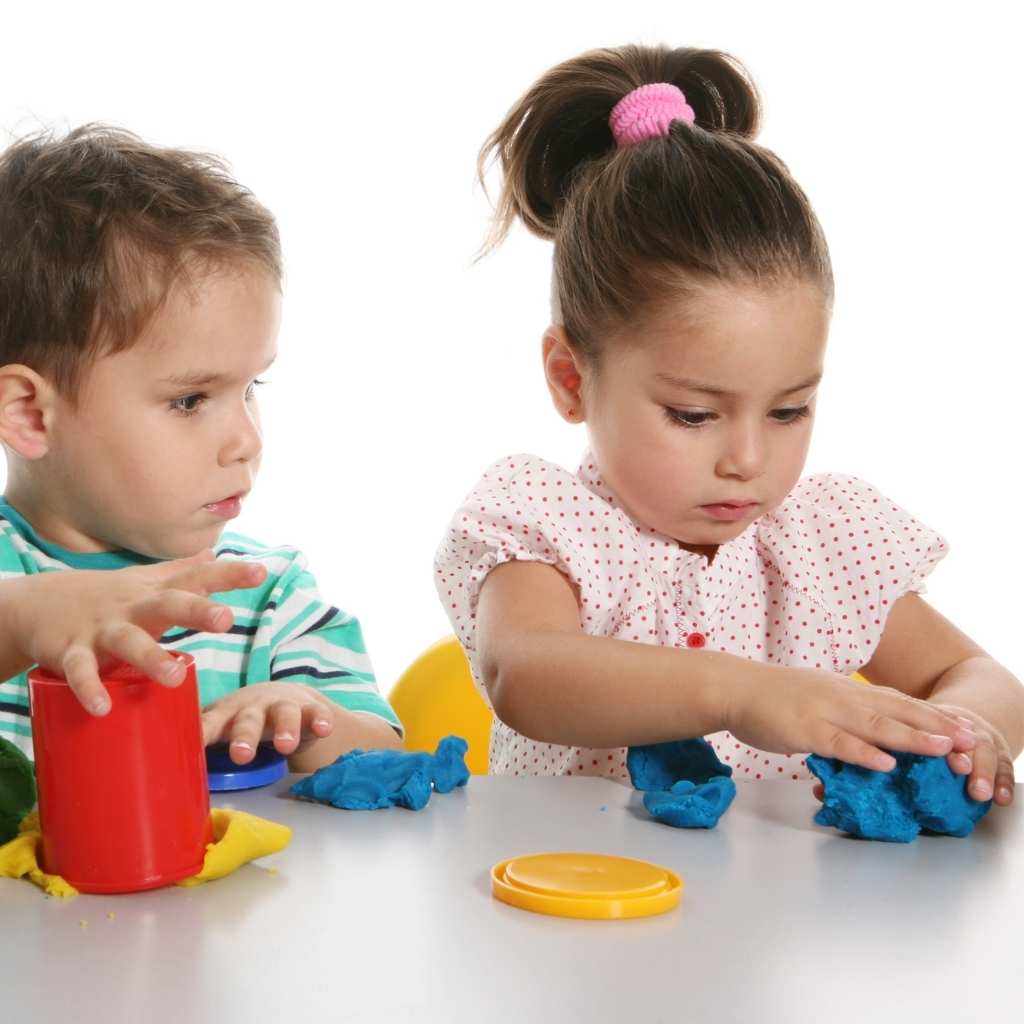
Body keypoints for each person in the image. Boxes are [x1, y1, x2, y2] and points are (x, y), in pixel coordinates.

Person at [435, 45, 1023, 806]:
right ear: (572, 378)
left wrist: (961, 732)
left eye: (789, 410)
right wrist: (744, 694)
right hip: (579, 909)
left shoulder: (821, 543)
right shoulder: (547, 526)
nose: (748, 459)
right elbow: (527, 675)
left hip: (782, 920)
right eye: (693, 415)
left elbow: (981, 678)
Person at [0, 125, 401, 770]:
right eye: (189, 401)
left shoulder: (266, 594)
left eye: (252, 387)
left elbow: (382, 750)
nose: (246, 440)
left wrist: (306, 717)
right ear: (30, 414)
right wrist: (23, 618)